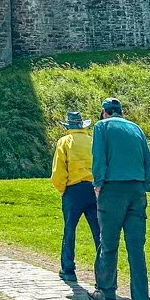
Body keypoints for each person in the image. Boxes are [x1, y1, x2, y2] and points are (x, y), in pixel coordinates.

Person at [87, 98, 150, 300]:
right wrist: (145, 185)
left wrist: (98, 184)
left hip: (113, 189)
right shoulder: (136, 128)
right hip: (136, 190)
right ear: (121, 112)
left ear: (104, 112)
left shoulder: (102, 127)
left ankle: (106, 293)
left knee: (109, 243)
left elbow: (99, 158)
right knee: (136, 249)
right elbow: (148, 160)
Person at [51, 110, 100, 283]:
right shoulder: (92, 141)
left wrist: (62, 189)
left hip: (73, 189)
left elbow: (59, 171)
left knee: (70, 230)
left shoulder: (64, 142)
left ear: (68, 126)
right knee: (98, 232)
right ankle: (103, 272)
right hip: (93, 188)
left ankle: (68, 269)